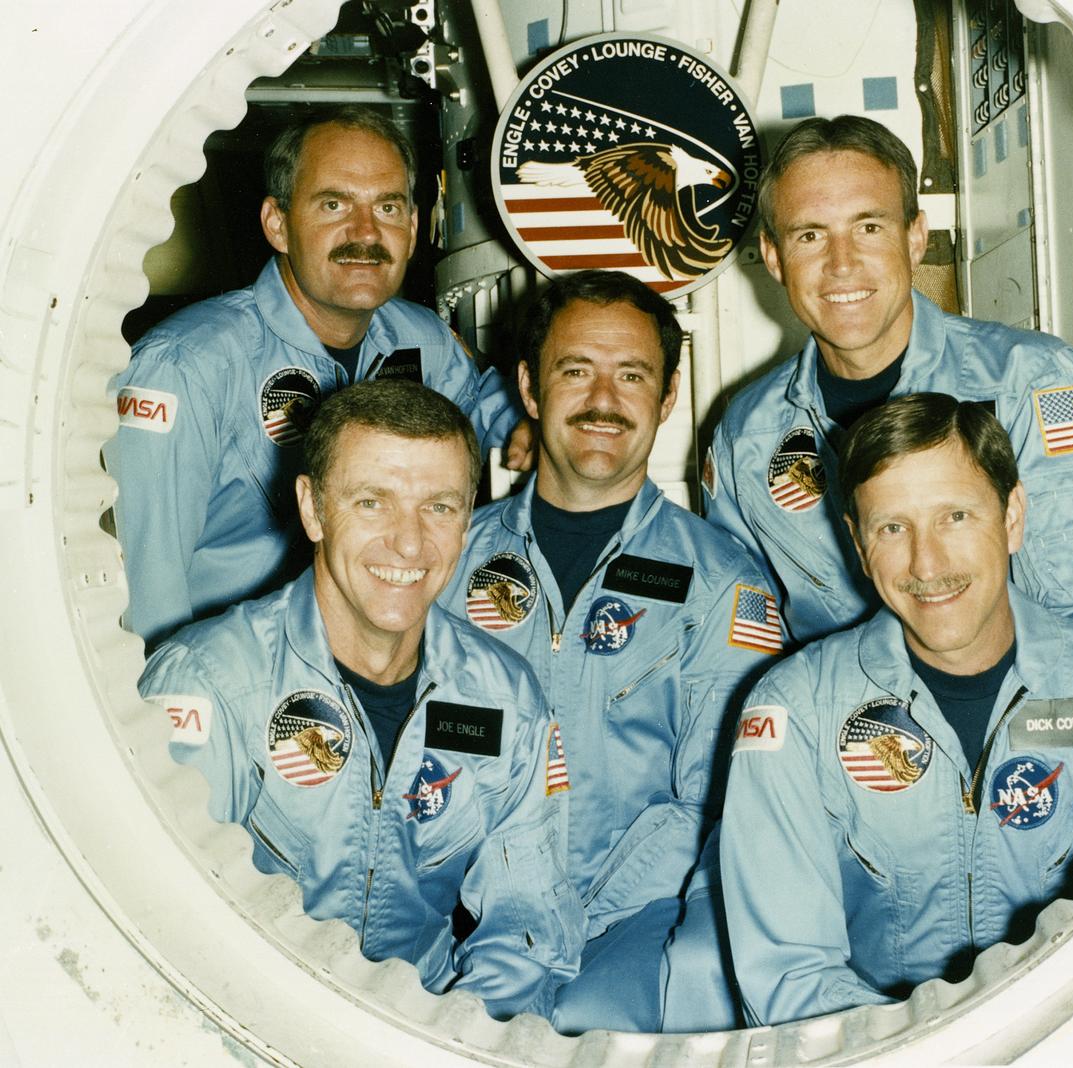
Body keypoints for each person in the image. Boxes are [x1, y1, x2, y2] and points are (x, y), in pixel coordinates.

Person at [720, 393, 1073, 1026]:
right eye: (892, 527)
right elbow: (789, 978)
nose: (927, 563)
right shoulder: (794, 711)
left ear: (1013, 516)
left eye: (956, 516)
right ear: (859, 547)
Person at [138, 380, 581, 1020]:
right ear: (313, 509)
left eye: (440, 507)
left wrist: (455, 1039)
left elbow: (527, 925)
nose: (409, 543)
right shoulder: (210, 684)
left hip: (424, 1026)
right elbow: (170, 930)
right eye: (372, 502)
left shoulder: (505, 698)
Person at [441, 269, 781, 1033]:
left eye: (632, 375)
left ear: (666, 398)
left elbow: (718, 806)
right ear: (529, 388)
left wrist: (568, 921)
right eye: (575, 370)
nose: (603, 400)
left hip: (625, 939)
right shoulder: (446, 559)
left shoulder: (722, 587)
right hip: (460, 929)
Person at [105, 105, 524, 648]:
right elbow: (148, 596)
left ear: (414, 226)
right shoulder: (187, 366)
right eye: (334, 204)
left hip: (374, 656)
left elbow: (487, 410)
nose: (366, 233)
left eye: (389, 207)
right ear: (277, 223)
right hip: (237, 674)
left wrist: (528, 426)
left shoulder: (421, 339)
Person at [703, 115, 1073, 644]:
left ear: (916, 237)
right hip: (832, 718)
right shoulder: (748, 432)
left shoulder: (1028, 381)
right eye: (810, 235)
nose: (841, 264)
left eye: (869, 227)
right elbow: (741, 637)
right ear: (774, 258)